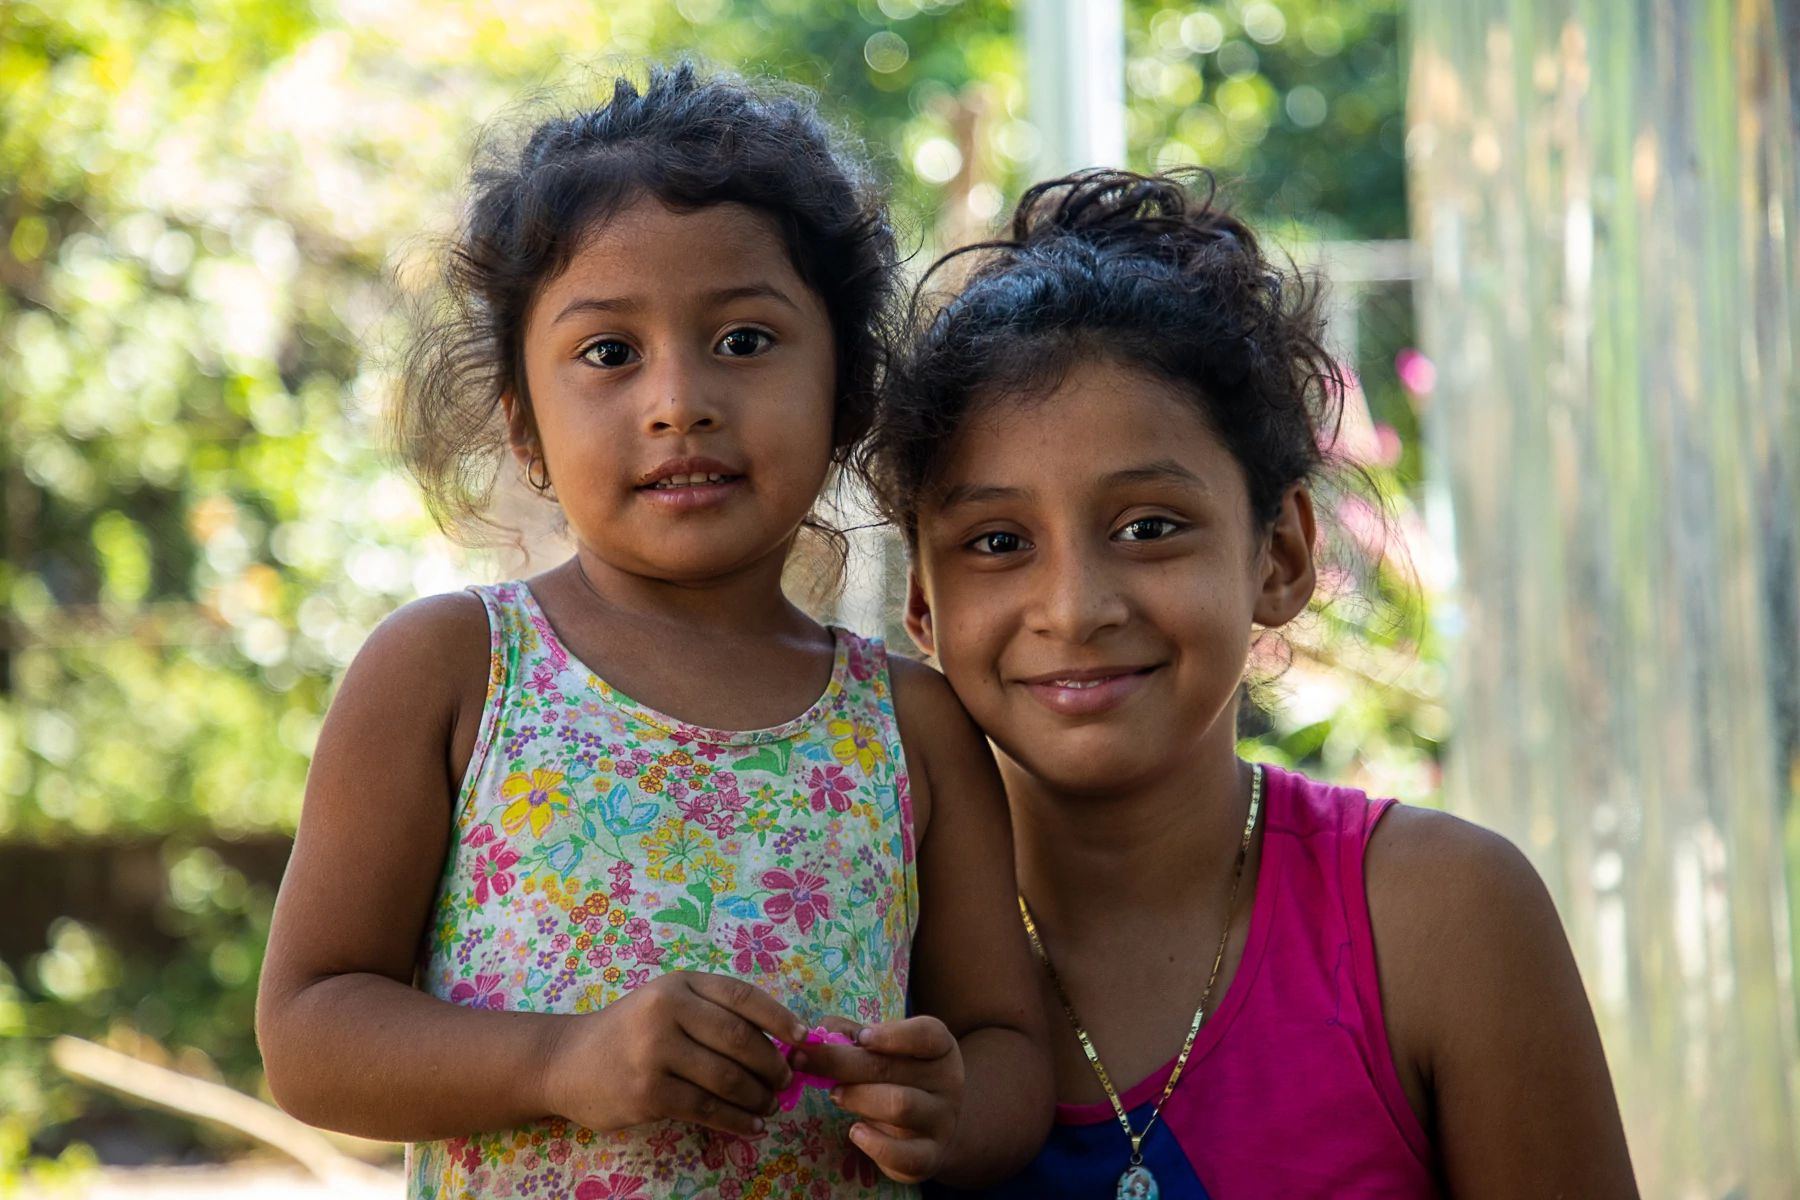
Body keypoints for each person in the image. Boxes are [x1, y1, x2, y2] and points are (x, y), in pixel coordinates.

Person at [255, 64, 1051, 1200]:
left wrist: (951, 1106)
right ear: (525, 428)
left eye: (743, 340)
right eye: (609, 354)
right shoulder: (451, 673)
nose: (679, 399)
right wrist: (562, 1059)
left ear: (846, 394)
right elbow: (311, 1033)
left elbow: (1007, 1048)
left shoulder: (910, 724)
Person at [858, 168, 1638, 1198]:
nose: (1075, 607)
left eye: (1148, 528)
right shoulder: (856, 928)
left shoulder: (1440, 921)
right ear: (923, 605)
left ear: (1279, 556)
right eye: (997, 542)